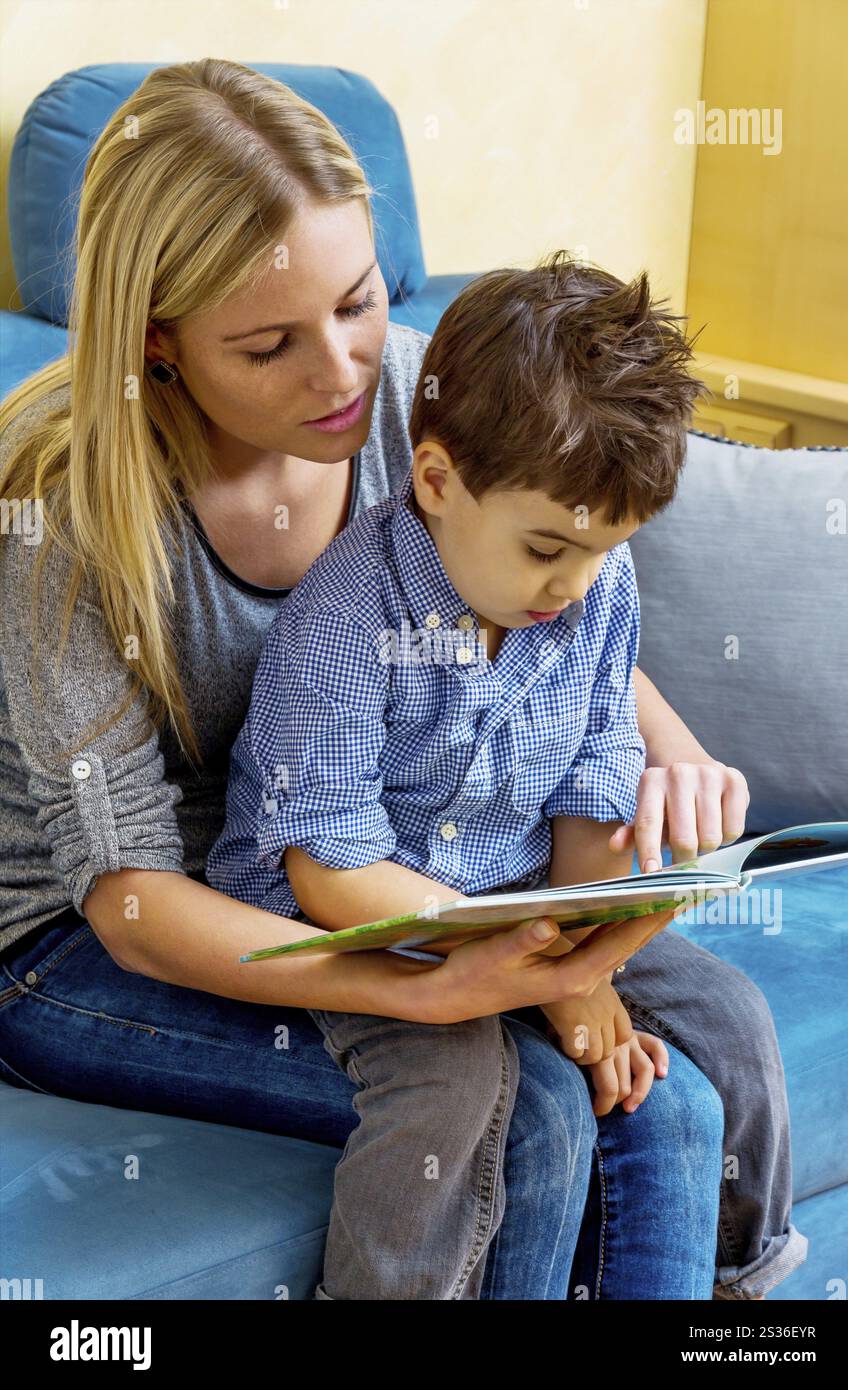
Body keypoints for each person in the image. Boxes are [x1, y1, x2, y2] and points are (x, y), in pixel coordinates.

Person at [0, 58, 805, 1300]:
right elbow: (132, 902)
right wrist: (430, 983)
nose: (339, 372)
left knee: (670, 1075)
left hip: (401, 860)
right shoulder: (62, 512)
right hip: (104, 934)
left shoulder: (414, 396)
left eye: (359, 301)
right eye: (268, 343)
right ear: (156, 344)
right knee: (526, 1110)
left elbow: (564, 615)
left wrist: (672, 752)